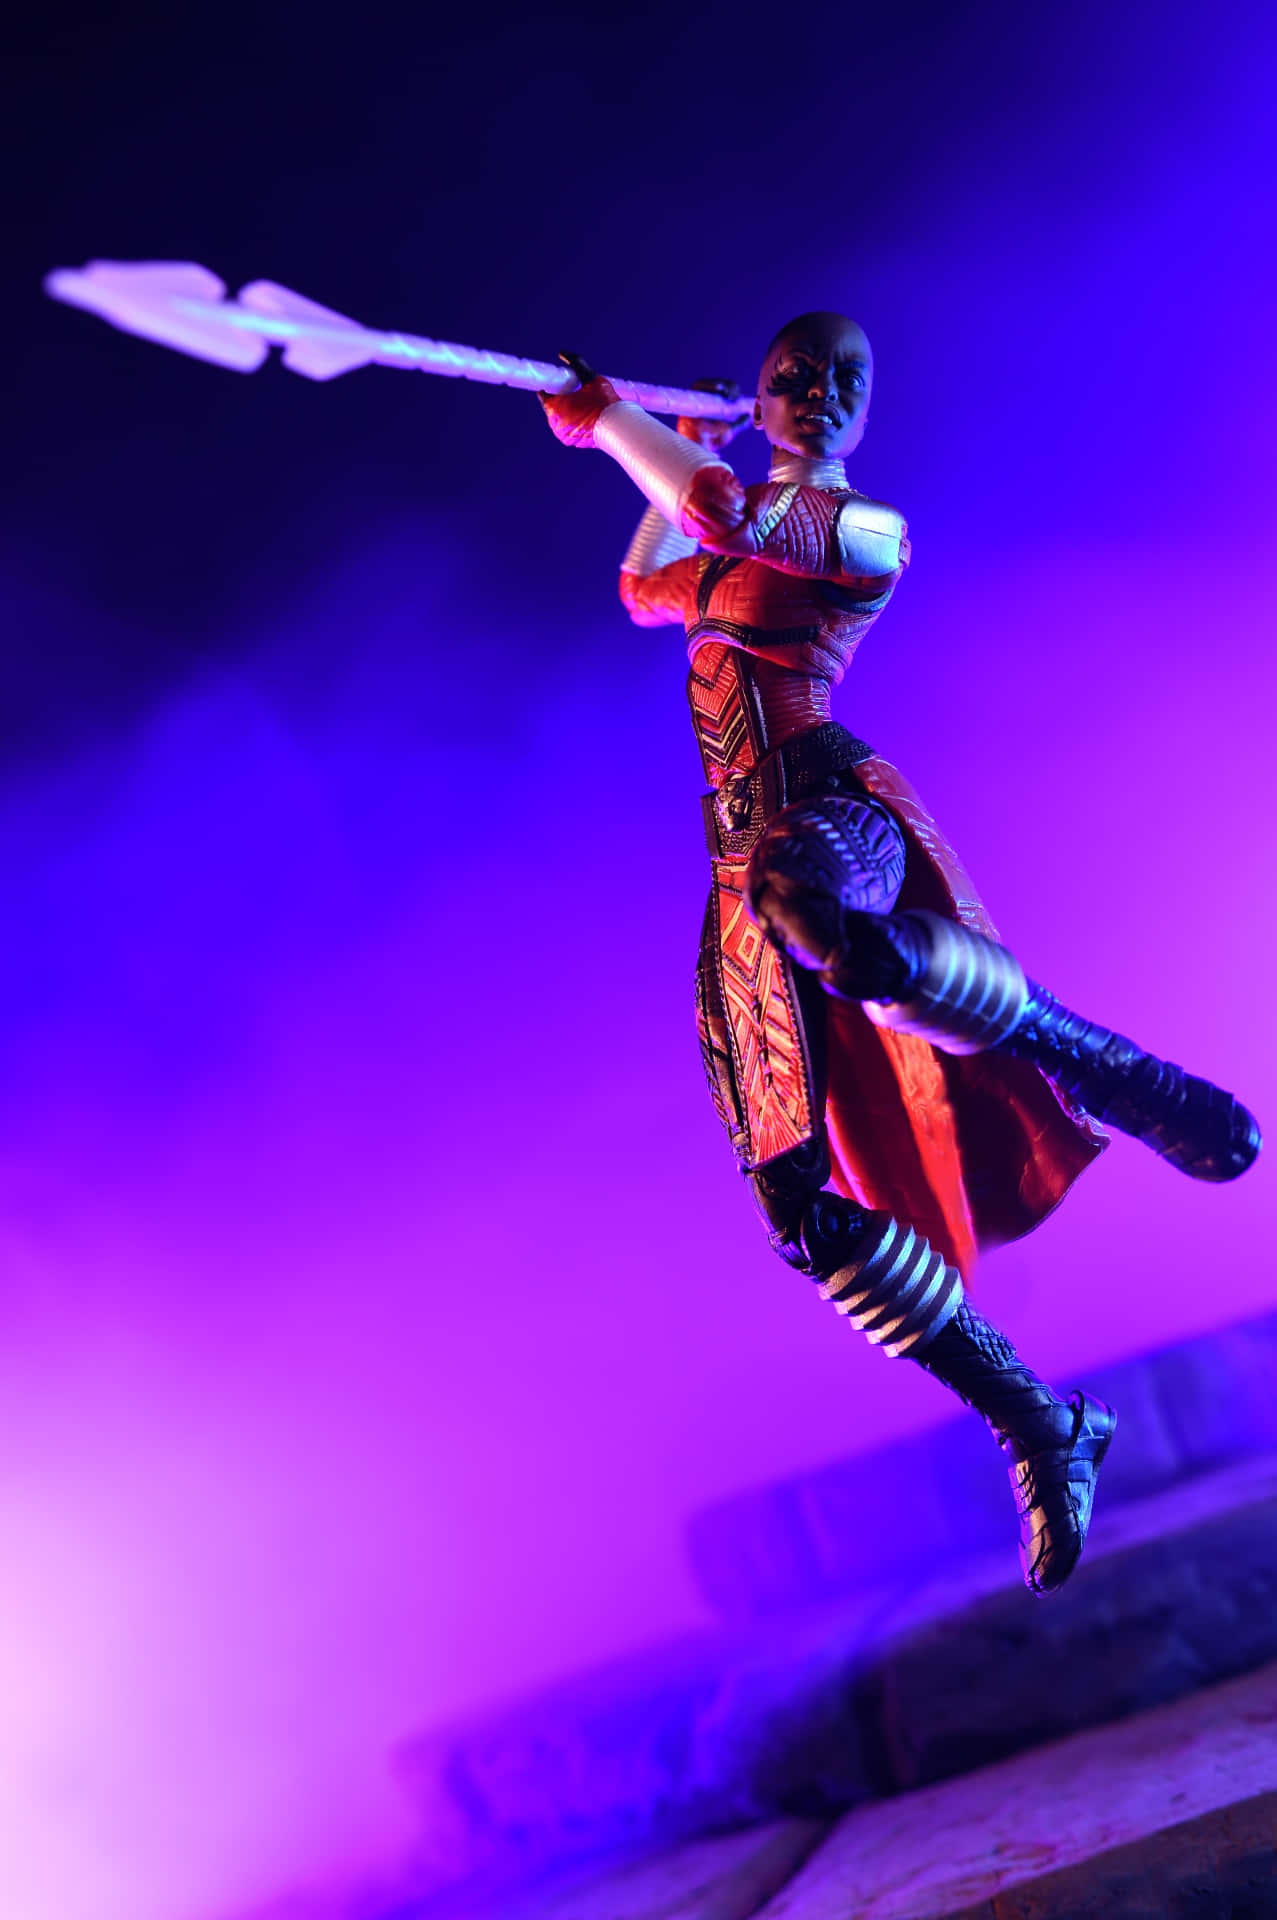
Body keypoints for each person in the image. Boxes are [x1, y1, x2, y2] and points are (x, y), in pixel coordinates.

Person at [540, 313, 1260, 1595]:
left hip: (829, 810)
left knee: (822, 919)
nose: (817, 392)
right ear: (763, 397)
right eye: (792, 378)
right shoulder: (728, 537)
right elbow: (646, 584)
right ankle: (1037, 1419)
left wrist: (616, 425)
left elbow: (717, 512)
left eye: (843, 381)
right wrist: (667, 441)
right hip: (737, 863)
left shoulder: (859, 531)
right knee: (798, 1210)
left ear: (864, 410)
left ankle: (1095, 1066)